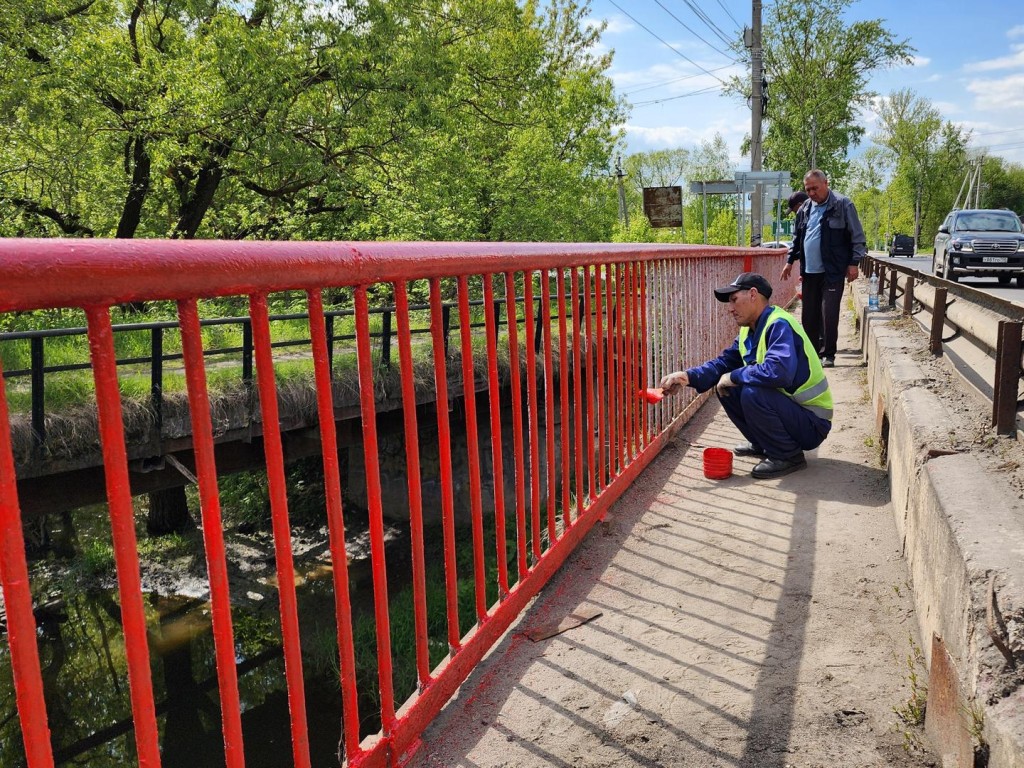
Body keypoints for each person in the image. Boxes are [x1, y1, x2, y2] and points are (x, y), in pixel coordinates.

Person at [659, 272, 832, 480]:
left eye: (734, 300)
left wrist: (734, 375)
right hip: (794, 413)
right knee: (728, 387)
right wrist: (687, 376)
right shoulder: (748, 331)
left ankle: (787, 455)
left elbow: (779, 372)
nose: (730, 308)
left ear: (752, 294)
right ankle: (764, 443)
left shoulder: (779, 324)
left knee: (751, 391)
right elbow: (723, 363)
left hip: (812, 422)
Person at [781, 169, 866, 368]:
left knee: (829, 312)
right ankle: (812, 354)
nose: (811, 193)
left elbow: (858, 237)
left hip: (832, 270)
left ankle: (828, 354)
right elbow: (797, 239)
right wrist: (789, 261)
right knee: (809, 315)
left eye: (815, 188)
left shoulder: (843, 204)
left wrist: (853, 263)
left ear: (826, 183)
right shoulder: (804, 210)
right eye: (807, 189)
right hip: (809, 271)